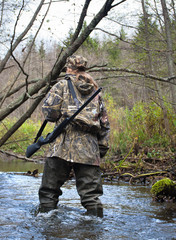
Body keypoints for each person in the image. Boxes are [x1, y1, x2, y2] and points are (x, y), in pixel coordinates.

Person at [38, 55, 110, 217]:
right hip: (89, 150)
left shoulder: (61, 86)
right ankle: (94, 230)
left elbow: (50, 114)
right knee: (92, 197)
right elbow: (104, 124)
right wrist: (101, 150)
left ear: (69, 69)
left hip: (61, 146)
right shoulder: (96, 91)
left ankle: (48, 226)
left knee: (49, 192)